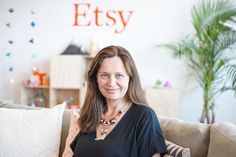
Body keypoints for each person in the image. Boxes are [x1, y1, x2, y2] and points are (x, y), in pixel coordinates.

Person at [70, 45, 167, 157]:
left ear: (130, 78)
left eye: (119, 75)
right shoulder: (90, 114)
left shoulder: (144, 116)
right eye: (104, 75)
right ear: (96, 79)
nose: (111, 83)